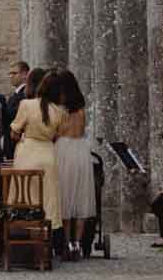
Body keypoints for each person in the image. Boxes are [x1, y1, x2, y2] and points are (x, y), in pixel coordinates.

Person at [8, 67, 64, 238]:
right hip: (47, 152)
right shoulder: (59, 110)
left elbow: (14, 132)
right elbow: (56, 136)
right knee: (47, 198)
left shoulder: (27, 105)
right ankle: (48, 235)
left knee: (24, 194)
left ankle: (24, 233)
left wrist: (24, 135)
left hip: (27, 152)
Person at [50, 69, 98, 258]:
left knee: (65, 197)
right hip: (81, 149)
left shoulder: (60, 110)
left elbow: (57, 132)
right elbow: (82, 129)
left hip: (64, 148)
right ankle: (77, 243)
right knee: (80, 197)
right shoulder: (80, 108)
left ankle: (66, 243)